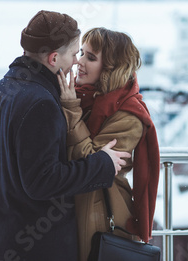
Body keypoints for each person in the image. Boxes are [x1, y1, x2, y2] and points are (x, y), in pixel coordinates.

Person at [0, 10, 131, 261]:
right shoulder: (40, 103)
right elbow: (43, 182)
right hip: (40, 249)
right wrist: (103, 164)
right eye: (75, 53)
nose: (77, 61)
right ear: (54, 58)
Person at [58, 27, 160, 261]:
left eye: (91, 57)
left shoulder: (129, 116)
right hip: (73, 207)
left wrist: (71, 109)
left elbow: (92, 165)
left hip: (101, 214)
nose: (79, 62)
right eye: (82, 53)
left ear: (111, 67)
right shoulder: (81, 96)